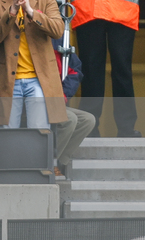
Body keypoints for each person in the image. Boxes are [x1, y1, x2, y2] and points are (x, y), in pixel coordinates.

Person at [0, 0, 67, 128]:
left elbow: (58, 30)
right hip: (7, 80)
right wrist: (12, 11)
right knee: (7, 135)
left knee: (39, 133)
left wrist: (31, 12)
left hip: (40, 79)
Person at [73, 0, 140, 138]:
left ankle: (126, 128)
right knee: (91, 71)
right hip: (89, 9)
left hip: (121, 9)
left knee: (121, 71)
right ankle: (90, 126)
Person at [51, 37, 95, 179]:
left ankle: (59, 162)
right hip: (34, 101)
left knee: (88, 120)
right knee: (69, 119)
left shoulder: (58, 39)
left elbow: (75, 70)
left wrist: (64, 95)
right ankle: (48, 163)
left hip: (55, 100)